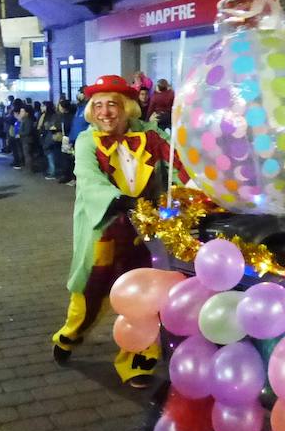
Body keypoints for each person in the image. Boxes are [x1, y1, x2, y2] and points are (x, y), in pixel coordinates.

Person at [52, 75, 190, 389]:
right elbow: (87, 178)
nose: (104, 112)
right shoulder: (88, 140)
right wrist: (119, 200)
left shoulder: (151, 135)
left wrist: (191, 192)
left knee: (144, 295)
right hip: (105, 228)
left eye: (111, 104)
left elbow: (179, 168)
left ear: (126, 108)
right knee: (92, 291)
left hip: (146, 232)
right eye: (97, 105)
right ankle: (70, 334)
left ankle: (138, 359)